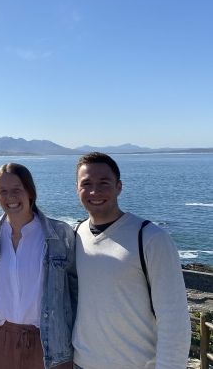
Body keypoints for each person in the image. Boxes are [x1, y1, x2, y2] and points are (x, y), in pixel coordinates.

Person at [72, 152, 191, 369]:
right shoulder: (76, 234)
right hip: (81, 363)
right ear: (76, 189)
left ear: (119, 186)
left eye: (104, 183)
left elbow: (174, 320)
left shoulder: (151, 238)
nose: (94, 191)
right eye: (86, 183)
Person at [0, 163, 77, 369]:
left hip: (49, 342)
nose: (10, 197)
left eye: (17, 189)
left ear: (30, 192)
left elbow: (75, 291)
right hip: (2, 339)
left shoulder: (60, 235)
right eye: (3, 191)